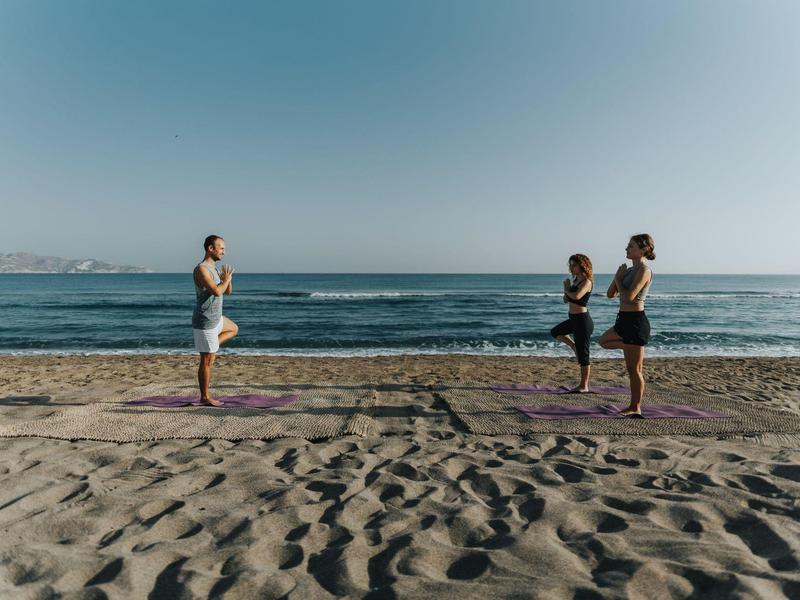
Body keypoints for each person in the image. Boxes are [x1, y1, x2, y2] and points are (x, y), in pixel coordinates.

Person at [598, 234, 655, 416]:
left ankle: (635, 406)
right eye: (627, 246)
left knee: (634, 370)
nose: (626, 249)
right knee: (603, 341)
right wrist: (617, 277)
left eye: (631, 246)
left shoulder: (644, 270)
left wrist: (618, 280)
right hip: (622, 319)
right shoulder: (628, 271)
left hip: (636, 321)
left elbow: (629, 297)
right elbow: (610, 294)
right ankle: (626, 344)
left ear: (644, 249)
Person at [192, 235, 238, 406]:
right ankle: (204, 397)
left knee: (233, 329)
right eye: (221, 248)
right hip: (205, 321)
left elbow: (227, 291)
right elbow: (216, 291)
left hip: (216, 318)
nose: (224, 252)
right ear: (210, 248)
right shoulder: (201, 269)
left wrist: (228, 279)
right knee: (207, 361)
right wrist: (225, 281)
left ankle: (212, 347)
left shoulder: (215, 270)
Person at [550, 254, 594, 392]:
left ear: (582, 265)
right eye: (570, 265)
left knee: (583, 354)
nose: (571, 267)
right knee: (555, 332)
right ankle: (573, 346)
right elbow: (566, 300)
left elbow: (576, 296)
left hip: (582, 320)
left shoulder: (587, 282)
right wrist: (567, 288)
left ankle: (584, 386)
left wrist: (567, 288)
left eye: (574, 265)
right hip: (573, 319)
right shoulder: (575, 281)